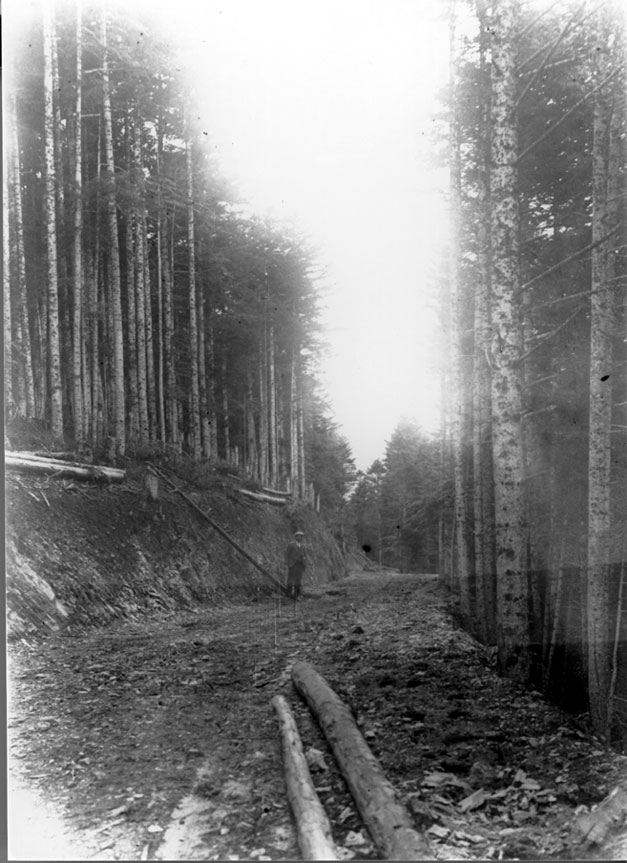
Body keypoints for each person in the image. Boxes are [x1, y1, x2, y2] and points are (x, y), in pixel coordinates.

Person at [285, 530, 306, 600]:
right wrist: (288, 563)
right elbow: (287, 554)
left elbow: (304, 555)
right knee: (291, 579)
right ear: (296, 537)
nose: (300, 538)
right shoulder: (291, 545)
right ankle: (288, 594)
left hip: (300, 565)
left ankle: (297, 595)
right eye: (298, 536)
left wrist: (304, 563)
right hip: (293, 564)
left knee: (298, 579)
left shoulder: (303, 546)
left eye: (301, 537)